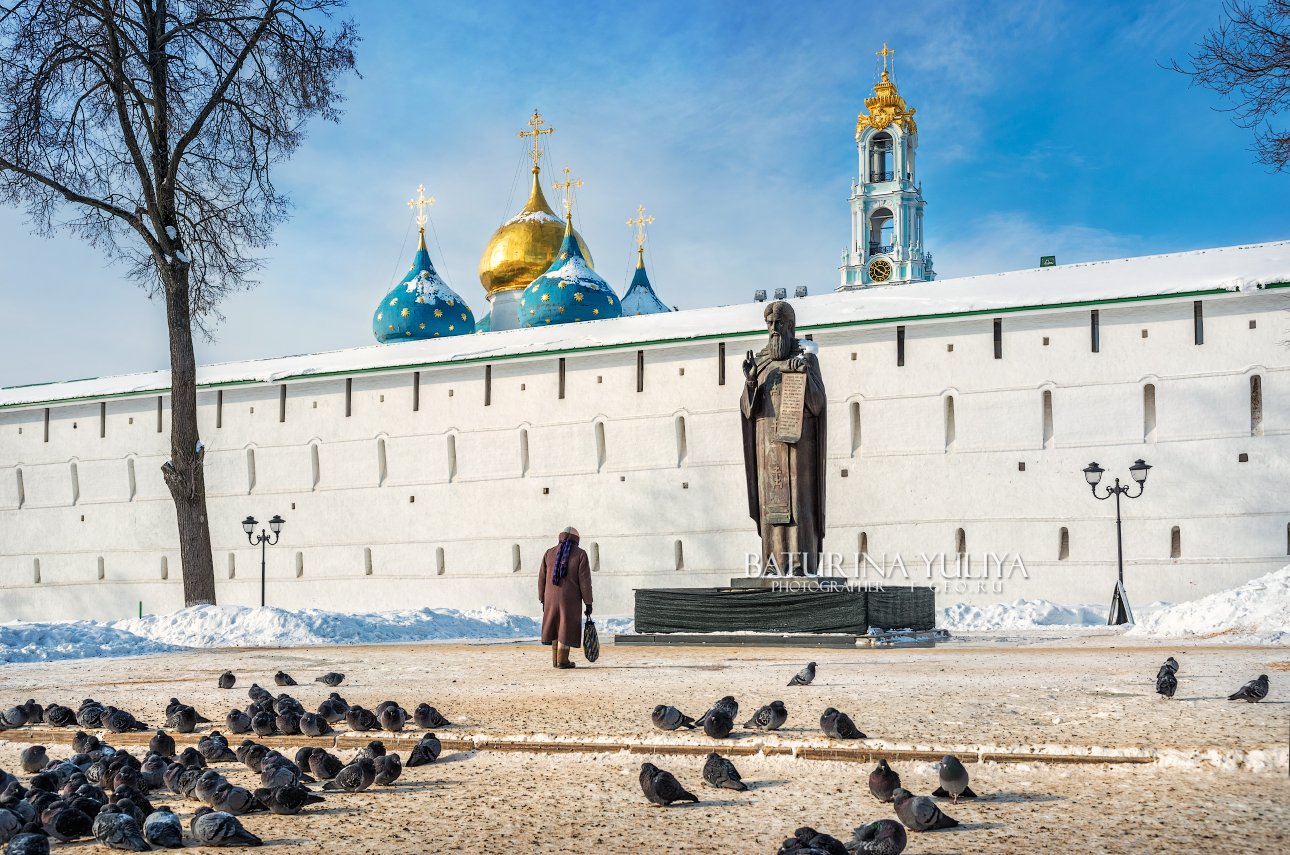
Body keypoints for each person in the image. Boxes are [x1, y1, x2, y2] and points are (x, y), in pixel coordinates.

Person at [538, 526, 593, 668]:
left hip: (550, 597)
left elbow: (542, 578)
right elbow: (585, 582)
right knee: (565, 627)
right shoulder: (580, 554)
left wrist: (542, 598)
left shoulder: (549, 553)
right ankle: (563, 660)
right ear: (577, 539)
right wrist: (588, 602)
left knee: (555, 625)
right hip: (570, 599)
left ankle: (555, 660)